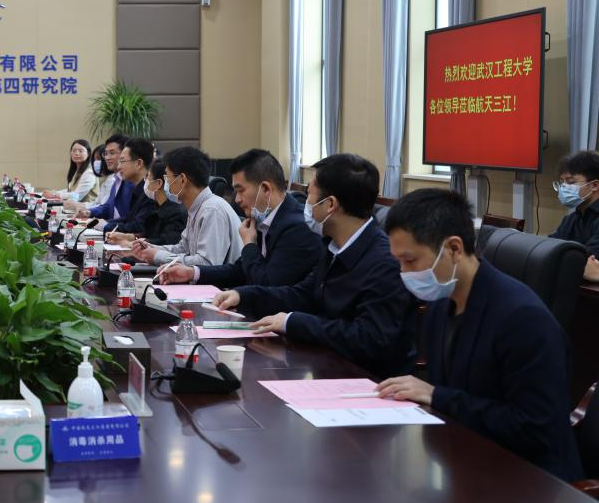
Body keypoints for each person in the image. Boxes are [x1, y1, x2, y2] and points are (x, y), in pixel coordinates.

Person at [378, 188, 582, 481]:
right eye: (398, 261)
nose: (404, 272)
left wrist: (437, 396)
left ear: (454, 248)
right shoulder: (441, 304)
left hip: (530, 480)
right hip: (464, 459)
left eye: (410, 261)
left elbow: (534, 427)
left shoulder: (522, 318)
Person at [214, 153, 415, 378]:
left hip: (368, 380)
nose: (305, 204)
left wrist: (293, 322)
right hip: (327, 364)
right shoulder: (333, 246)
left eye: (309, 195)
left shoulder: (384, 261)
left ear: (330, 204)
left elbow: (369, 339)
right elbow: (303, 294)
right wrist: (244, 295)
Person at [158, 149, 320, 288]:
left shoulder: (296, 227)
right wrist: (192, 273)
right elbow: (240, 271)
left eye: (241, 191)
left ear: (265, 189)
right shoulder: (264, 217)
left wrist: (249, 245)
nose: (237, 199)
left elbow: (268, 284)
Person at [131, 146, 243, 268]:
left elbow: (207, 263)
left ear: (182, 180)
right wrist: (152, 248)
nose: (166, 184)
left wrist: (158, 256)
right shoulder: (195, 207)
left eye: (167, 177)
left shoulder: (212, 210)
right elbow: (183, 248)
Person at [106, 159, 187, 246]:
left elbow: (166, 242)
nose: (145, 180)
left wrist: (133, 244)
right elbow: (150, 235)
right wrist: (128, 237)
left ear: (158, 183)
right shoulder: (157, 206)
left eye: (148, 176)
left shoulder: (176, 212)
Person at [550, 150, 599, 282]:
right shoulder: (571, 219)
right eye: (562, 182)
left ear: (594, 185)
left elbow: (587, 262)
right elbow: (549, 248)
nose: (564, 188)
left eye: (571, 182)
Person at [59, 139, 98, 203]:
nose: (76, 153)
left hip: (87, 208)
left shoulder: (89, 173)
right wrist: (54, 192)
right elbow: (71, 190)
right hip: (74, 207)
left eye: (80, 151)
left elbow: (77, 196)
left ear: (88, 153)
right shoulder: (77, 170)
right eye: (74, 150)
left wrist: (56, 195)